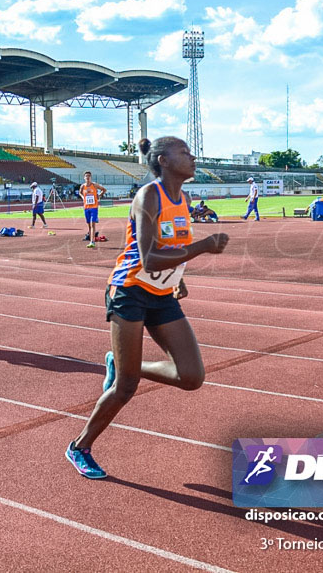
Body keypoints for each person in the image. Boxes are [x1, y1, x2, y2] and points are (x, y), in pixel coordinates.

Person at [65, 136, 229, 479]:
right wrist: (204, 246)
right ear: (164, 161)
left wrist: (177, 278)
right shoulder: (148, 196)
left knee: (191, 376)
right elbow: (149, 256)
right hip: (130, 291)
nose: (192, 156)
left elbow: (171, 247)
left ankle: (125, 363)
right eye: (184, 152)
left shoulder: (182, 199)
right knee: (125, 386)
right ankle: (79, 446)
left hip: (161, 293)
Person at [79, 171, 108, 247]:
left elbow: (104, 189)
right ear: (84, 178)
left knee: (92, 224)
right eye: (86, 176)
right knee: (89, 225)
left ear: (91, 177)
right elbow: (80, 193)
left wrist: (99, 195)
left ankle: (92, 241)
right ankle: (91, 239)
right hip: (86, 208)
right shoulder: (83, 186)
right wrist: (83, 198)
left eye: (89, 176)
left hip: (94, 208)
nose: (87, 177)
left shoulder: (94, 185)